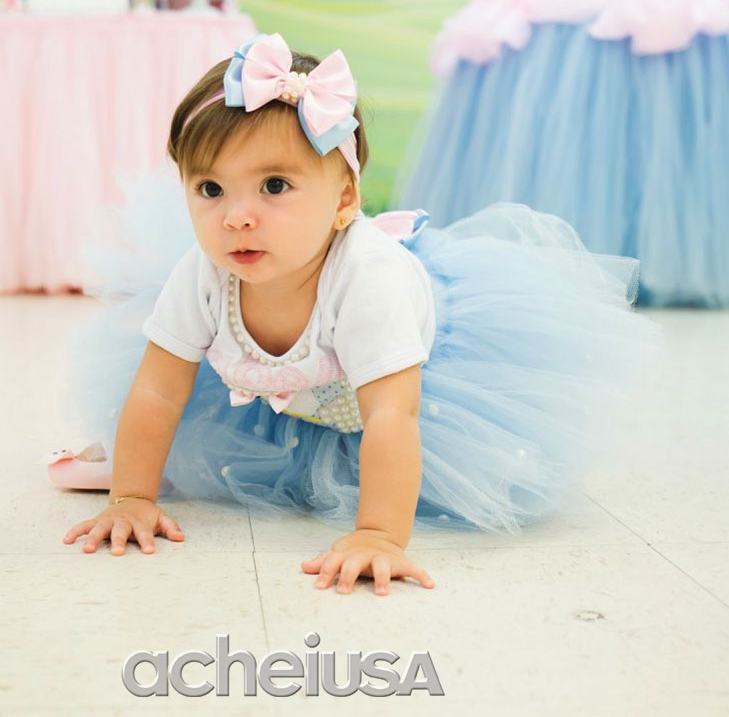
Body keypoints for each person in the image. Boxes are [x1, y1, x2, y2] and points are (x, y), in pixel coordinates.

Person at [60, 33, 660, 594]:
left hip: (399, 390)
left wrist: (378, 534)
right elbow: (158, 390)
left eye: (274, 186)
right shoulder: (205, 271)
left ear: (344, 198)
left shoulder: (370, 281)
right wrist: (130, 497)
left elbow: (393, 415)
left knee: (385, 424)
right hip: (302, 391)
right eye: (211, 190)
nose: (237, 217)